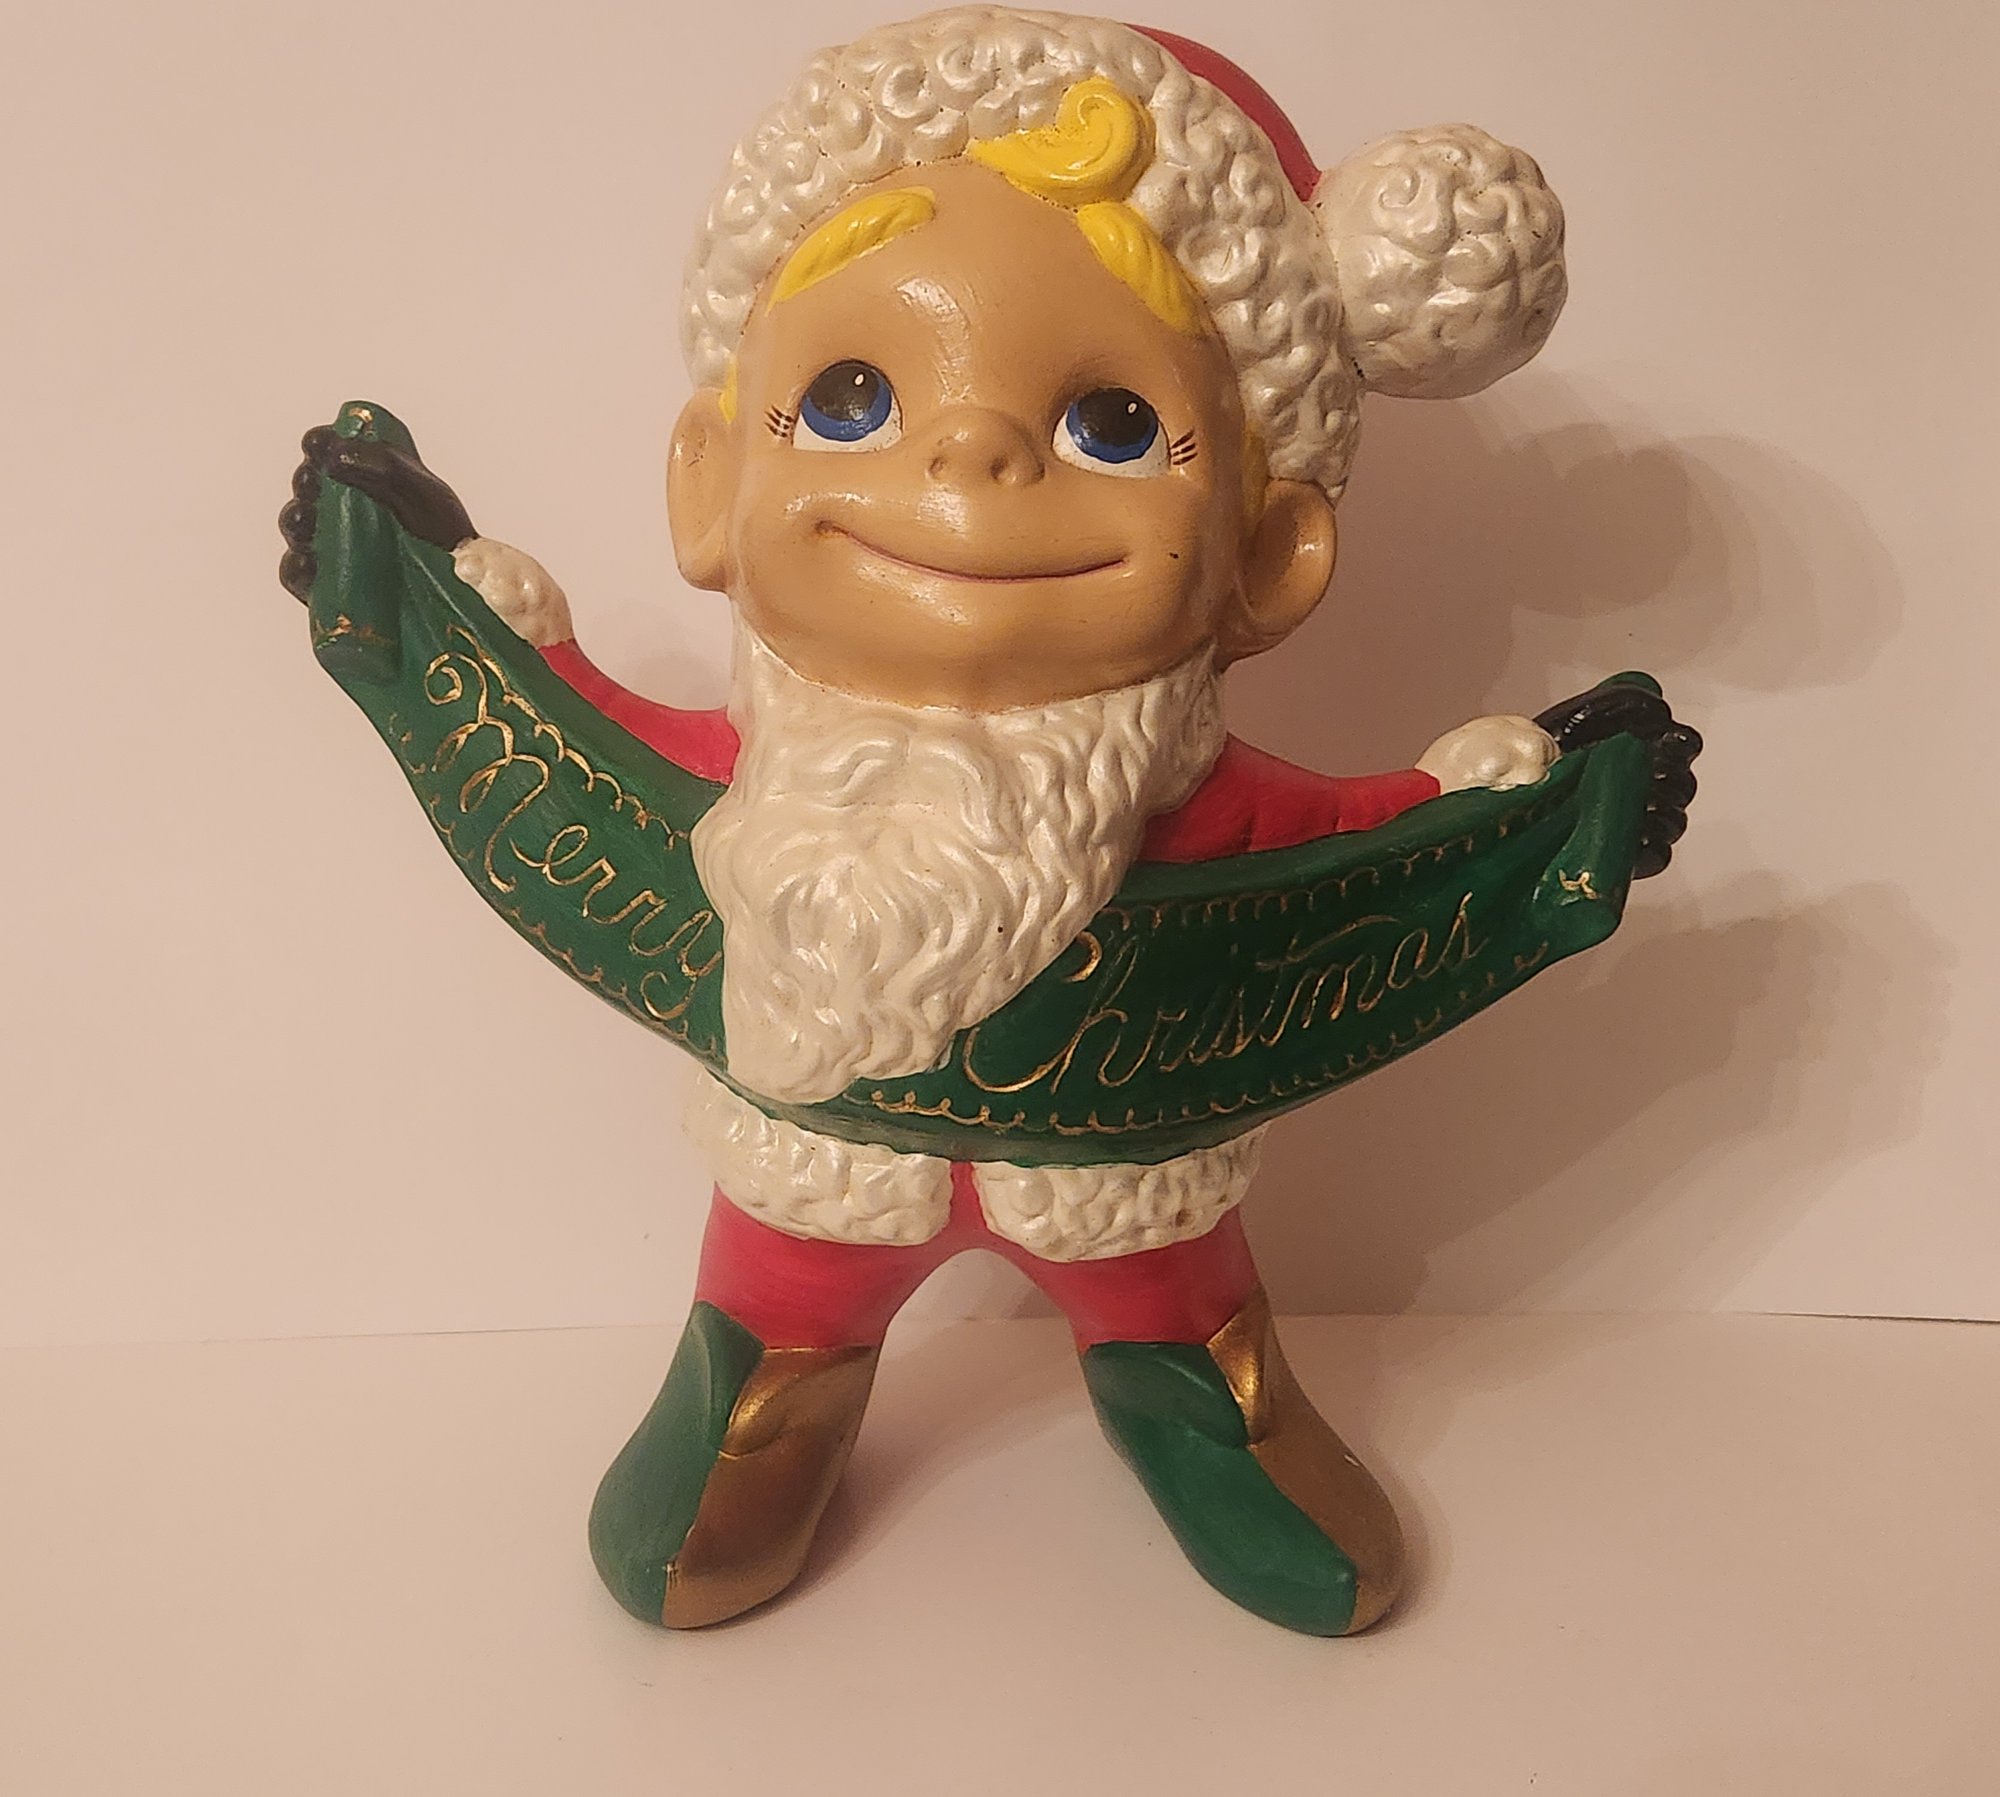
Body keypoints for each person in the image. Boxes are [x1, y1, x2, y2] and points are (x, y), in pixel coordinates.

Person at [324, 7, 1573, 1635]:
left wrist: (1505, 814)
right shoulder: (750, 780)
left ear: (1267, 556)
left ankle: (1203, 1405)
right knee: (779, 1289)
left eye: (1110, 425)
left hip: (1133, 1157)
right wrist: (437, 599)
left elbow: (1356, 869)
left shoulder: (1193, 803)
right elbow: (567, 762)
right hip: (813, 1164)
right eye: (853, 396)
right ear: (709, 483)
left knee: (1174, 1286)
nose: (968, 453)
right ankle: (758, 1398)